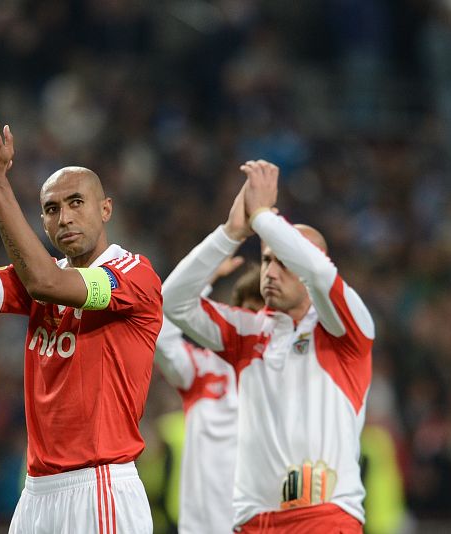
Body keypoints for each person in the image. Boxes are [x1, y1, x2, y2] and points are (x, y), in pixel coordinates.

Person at [0, 108, 162, 533]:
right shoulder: (40, 274)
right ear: (43, 222)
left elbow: (46, 282)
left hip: (100, 486)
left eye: (76, 203)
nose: (65, 217)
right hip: (36, 492)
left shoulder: (133, 275)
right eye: (52, 209)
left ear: (105, 208)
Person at [162, 160, 375, 532]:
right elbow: (172, 302)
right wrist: (230, 232)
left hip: (325, 516)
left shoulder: (347, 332)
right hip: (252, 522)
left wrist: (262, 216)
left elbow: (321, 274)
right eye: (265, 261)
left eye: (283, 263)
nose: (270, 273)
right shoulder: (247, 332)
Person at [153, 258, 263, 534]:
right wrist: (205, 277)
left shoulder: (284, 378)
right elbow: (159, 333)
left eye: (263, 314)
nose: (255, 323)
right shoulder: (201, 369)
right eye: (247, 312)